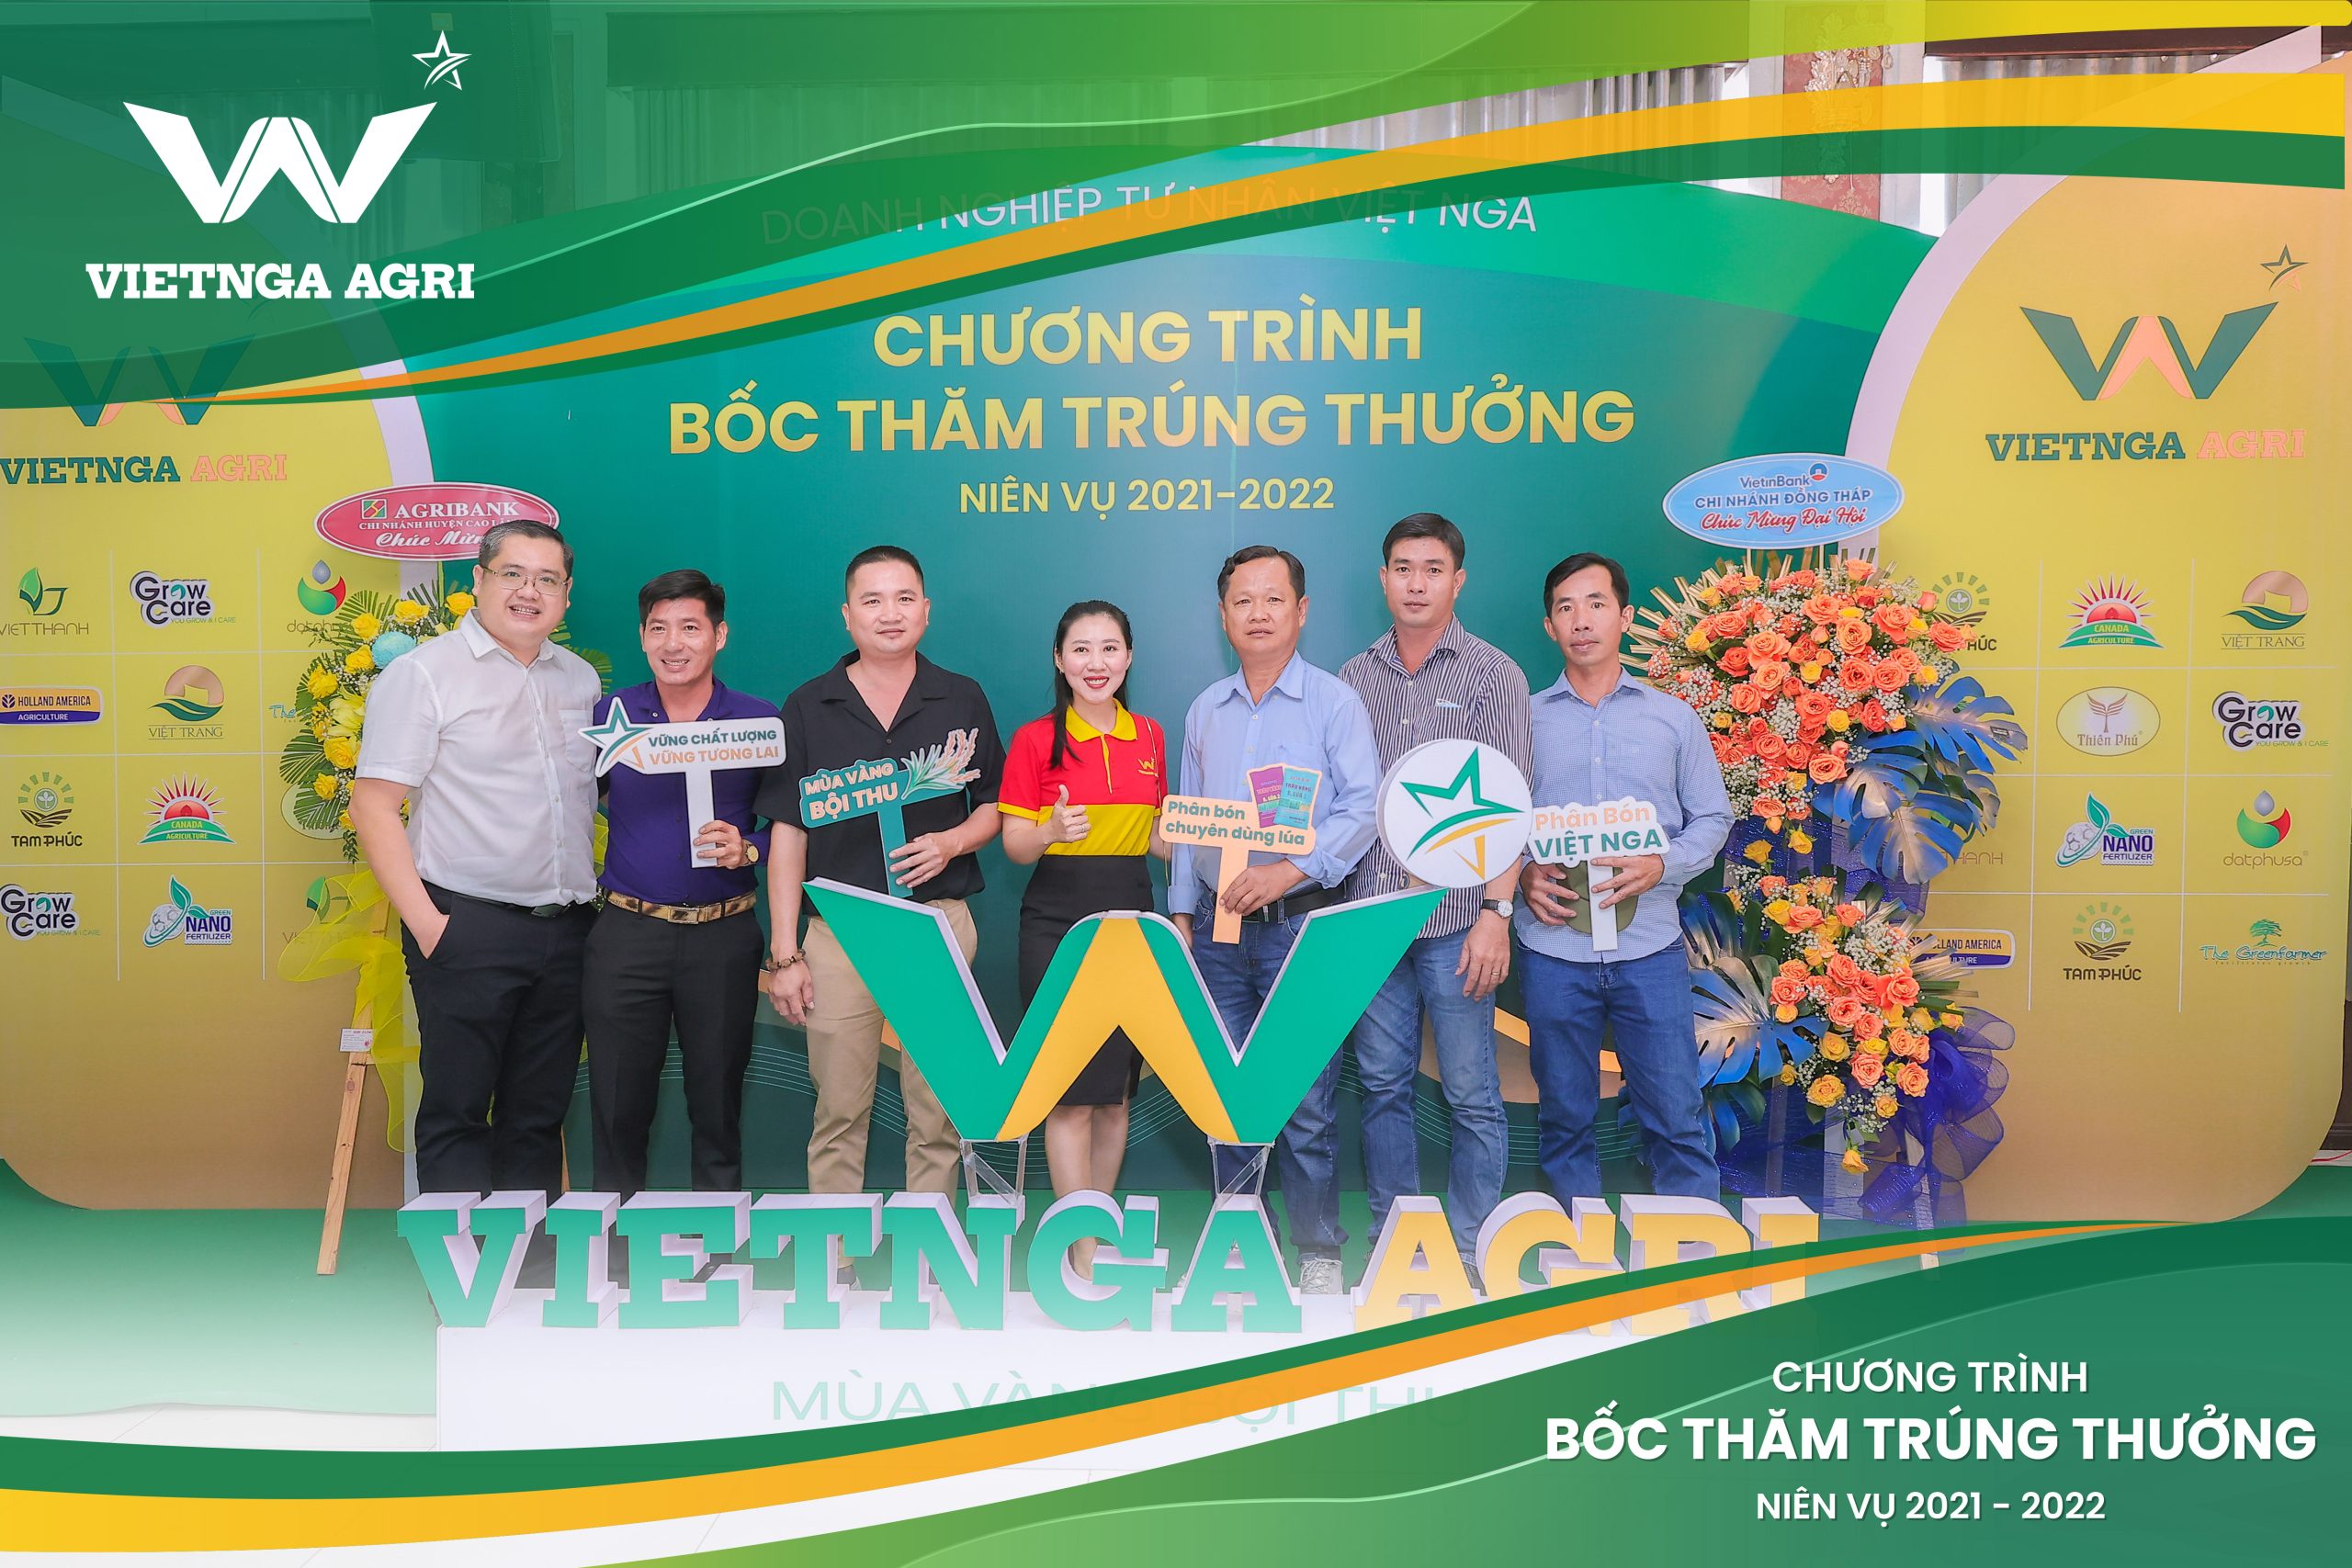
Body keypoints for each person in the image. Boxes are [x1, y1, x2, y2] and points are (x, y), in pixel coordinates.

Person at [352, 520, 600, 1205]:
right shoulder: (423, 674)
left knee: (538, 1114)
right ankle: (458, 1261)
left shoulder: (579, 680)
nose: (529, 591)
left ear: (567, 595)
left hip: (567, 931)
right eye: (512, 573)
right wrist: (431, 927)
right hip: (465, 925)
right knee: (457, 1111)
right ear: (479, 581)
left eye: (547, 579)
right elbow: (373, 806)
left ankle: (530, 1259)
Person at [759, 546, 1005, 1201]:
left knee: (938, 1111)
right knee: (838, 1110)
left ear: (926, 610)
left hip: (936, 925)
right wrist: (785, 952)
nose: (889, 613)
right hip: (839, 935)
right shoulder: (808, 706)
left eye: (903, 599)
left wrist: (952, 843)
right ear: (847, 615)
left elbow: (996, 805)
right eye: (872, 600)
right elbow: (788, 832)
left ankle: (931, 1243)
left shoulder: (962, 696)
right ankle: (834, 1247)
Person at [1171, 546, 1379, 1294]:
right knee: (1227, 1096)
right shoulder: (1205, 708)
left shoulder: (1334, 702)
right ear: (1222, 614)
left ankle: (1319, 1252)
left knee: (1307, 1102)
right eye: (1242, 600)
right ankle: (1241, 1244)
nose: (1257, 613)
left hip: (1300, 926)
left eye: (1273, 598)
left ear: (1301, 609)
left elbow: (1365, 809)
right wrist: (1181, 912)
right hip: (1215, 935)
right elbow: (1187, 820)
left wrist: (1287, 871)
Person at [1339, 513, 1531, 1280]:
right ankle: (1397, 1244)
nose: (1416, 583)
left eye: (1432, 569)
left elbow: (1513, 806)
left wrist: (1496, 913)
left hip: (1460, 920)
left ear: (1458, 580)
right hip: (1373, 916)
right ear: (1383, 579)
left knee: (1472, 1089)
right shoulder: (1353, 678)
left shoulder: (1494, 674)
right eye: (1402, 568)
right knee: (1381, 1086)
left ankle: (1473, 1246)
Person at [1517, 551, 1732, 1206]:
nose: (1581, 620)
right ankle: (1572, 1244)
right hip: (1554, 948)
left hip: (1651, 948)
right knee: (1563, 1116)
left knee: (1675, 1112)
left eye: (1597, 604)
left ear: (1625, 617)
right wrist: (1522, 872)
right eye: (1566, 608)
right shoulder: (1521, 721)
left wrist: (1663, 864)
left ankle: (1694, 1244)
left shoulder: (1673, 719)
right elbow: (1494, 823)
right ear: (1549, 625)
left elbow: (1713, 816)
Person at [583, 570, 780, 1199]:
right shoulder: (610, 716)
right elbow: (571, 800)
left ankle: (716, 1244)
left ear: (719, 636)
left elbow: (794, 828)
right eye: (659, 628)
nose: (674, 643)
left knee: (717, 1107)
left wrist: (750, 846)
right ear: (643, 637)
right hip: (626, 933)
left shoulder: (758, 719)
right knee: (617, 1105)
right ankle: (612, 1244)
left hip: (723, 935)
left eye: (691, 628)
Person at [998, 601, 1170, 1276]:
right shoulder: (1035, 739)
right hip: (1056, 918)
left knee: (1115, 1092)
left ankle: (1099, 1229)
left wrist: (1199, 836)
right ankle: (1083, 1252)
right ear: (1059, 659)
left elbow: (1157, 837)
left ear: (1129, 657)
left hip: (1131, 914)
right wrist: (1049, 830)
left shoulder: (1150, 736)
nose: (1096, 663)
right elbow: (1015, 844)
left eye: (1109, 648)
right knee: (1070, 1092)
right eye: (1081, 649)